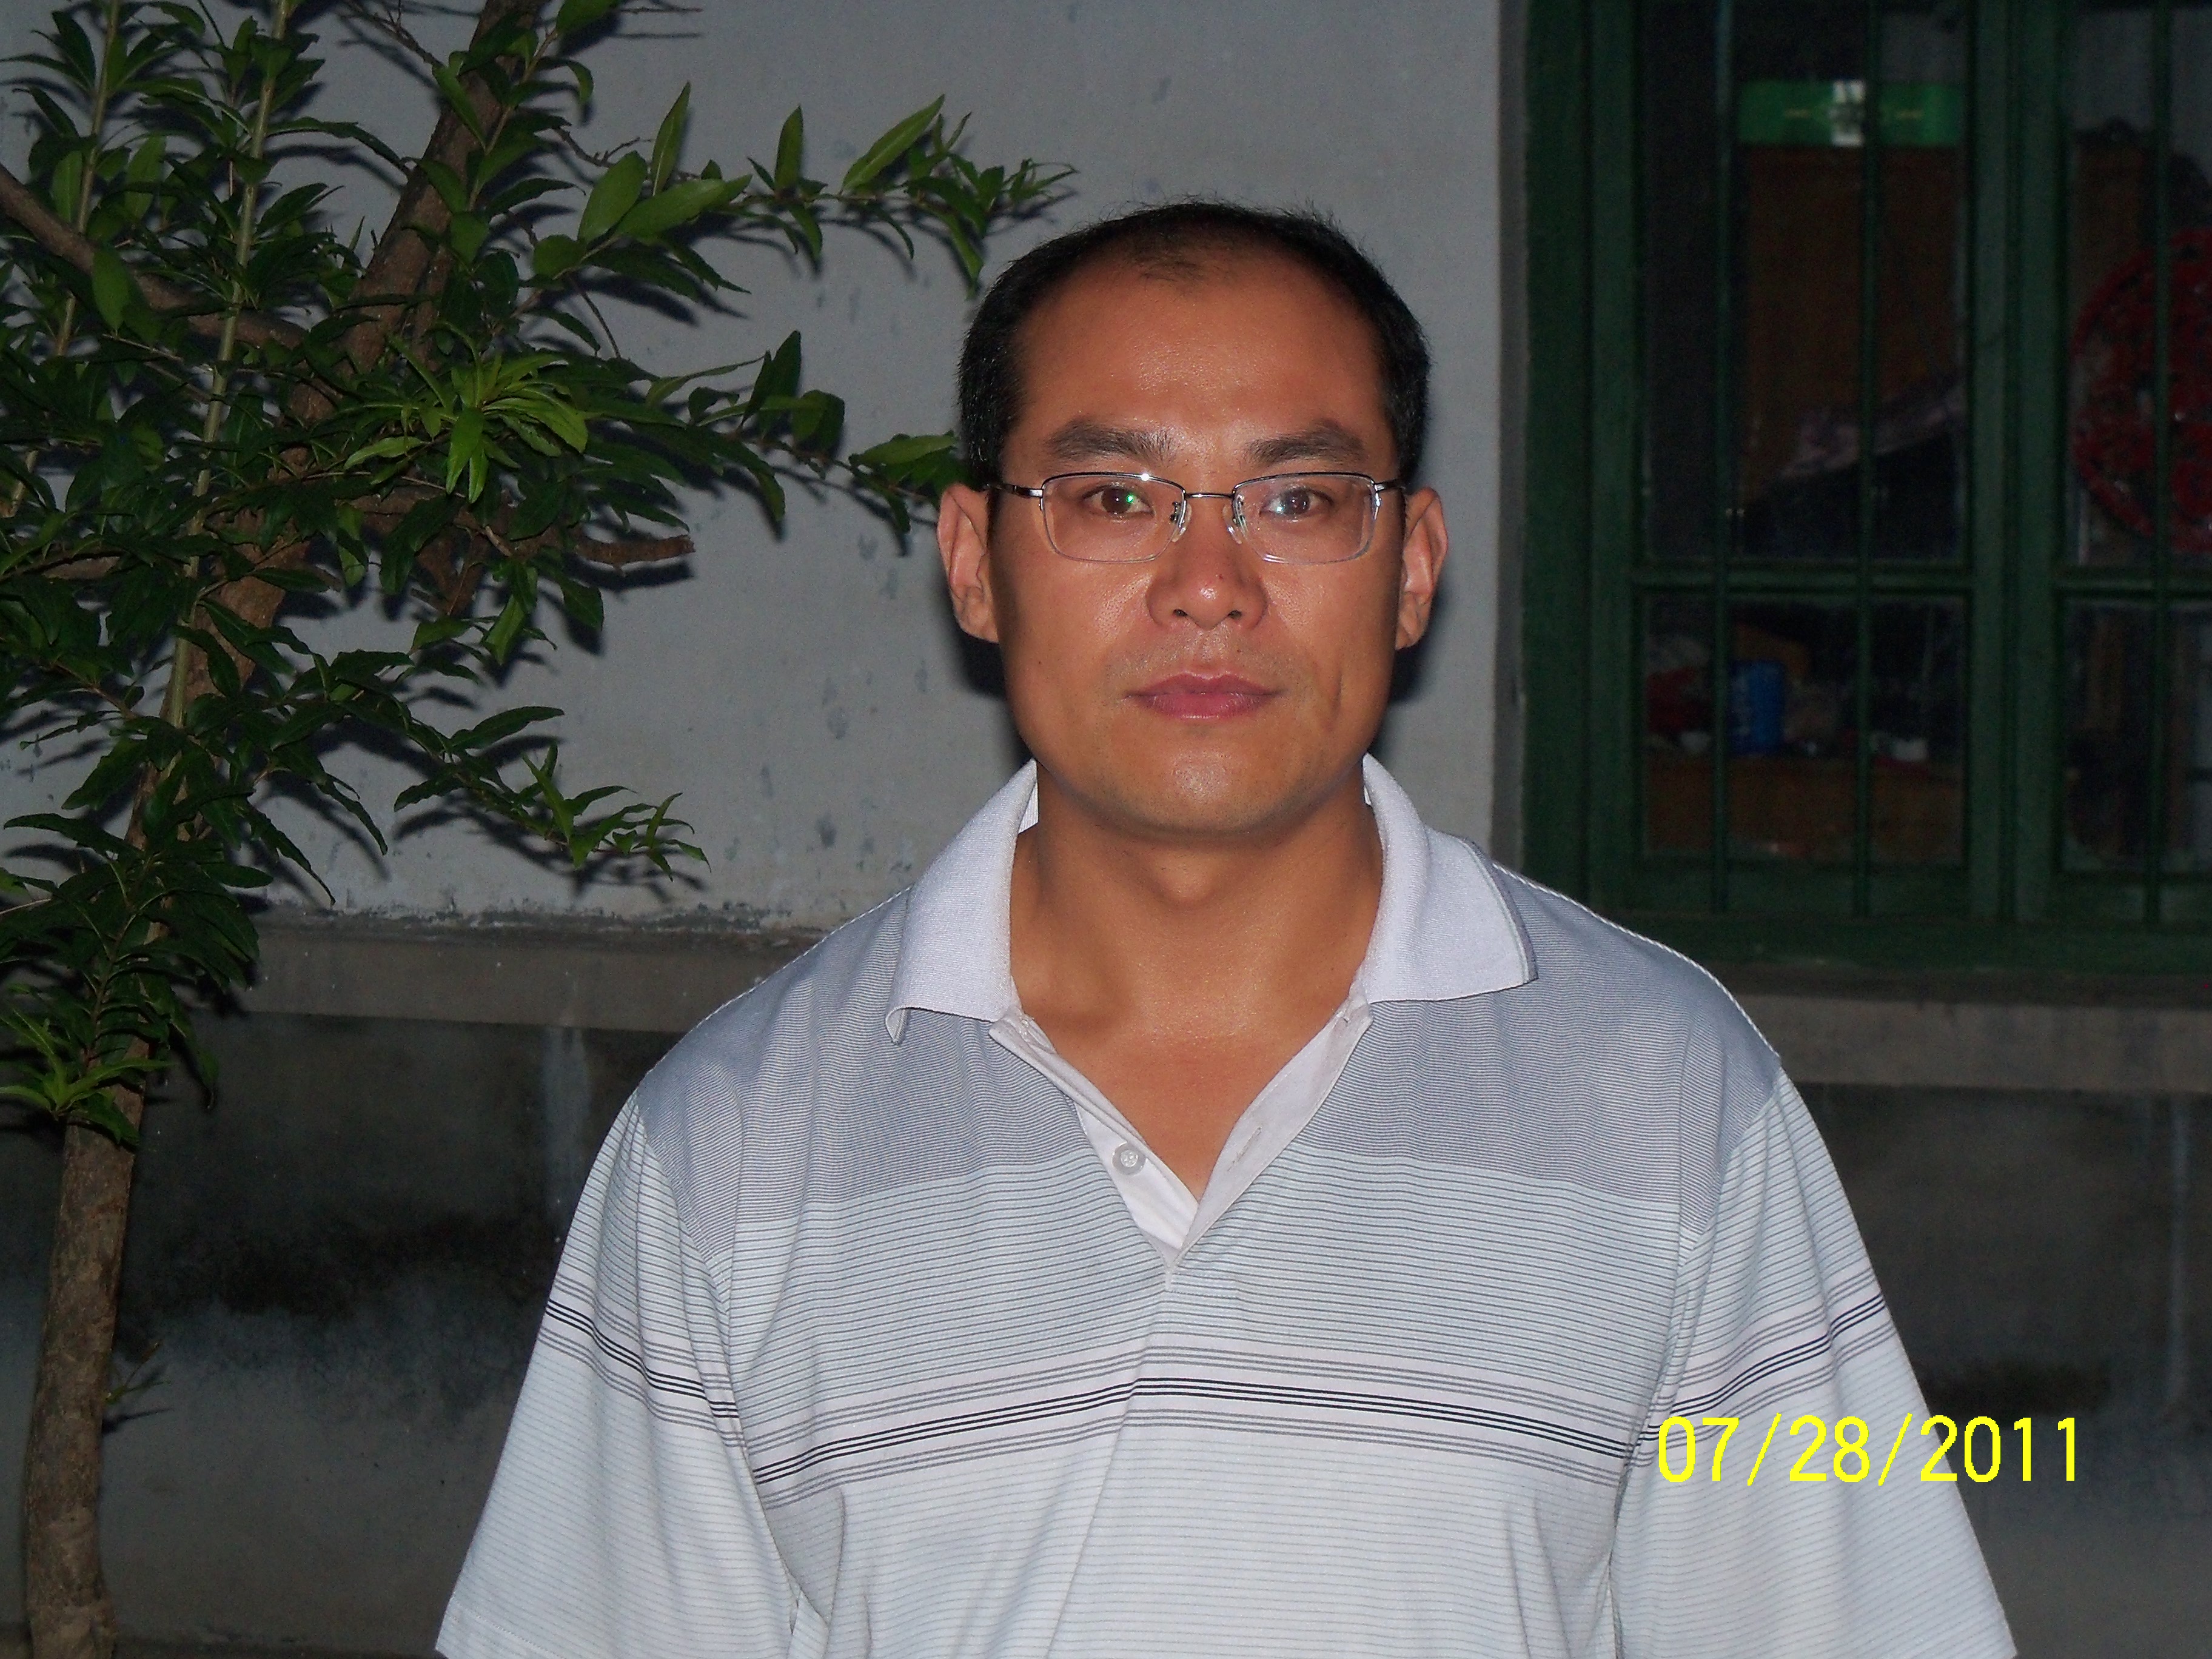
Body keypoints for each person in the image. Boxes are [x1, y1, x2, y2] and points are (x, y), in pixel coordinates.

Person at [438, 203, 2014, 1659]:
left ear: (1412, 570)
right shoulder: (736, 1145)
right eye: (1113, 498)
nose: (1209, 585)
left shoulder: (1664, 1096)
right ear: (977, 564)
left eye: (1301, 499)